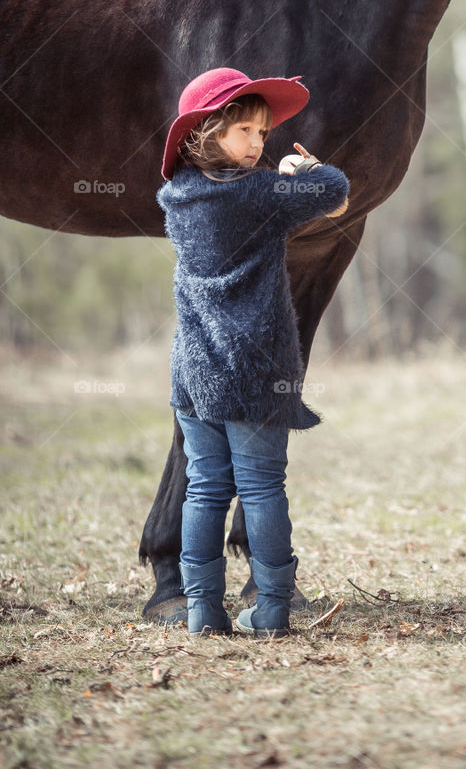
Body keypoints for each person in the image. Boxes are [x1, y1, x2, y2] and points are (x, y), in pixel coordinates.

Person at [157, 66, 350, 638]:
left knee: (205, 487)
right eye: (244, 131)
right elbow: (335, 191)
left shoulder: (177, 195)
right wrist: (304, 169)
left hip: (194, 372)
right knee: (263, 486)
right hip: (256, 371)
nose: (257, 144)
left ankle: (202, 611)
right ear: (206, 132)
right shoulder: (260, 194)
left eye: (263, 135)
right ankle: (270, 610)